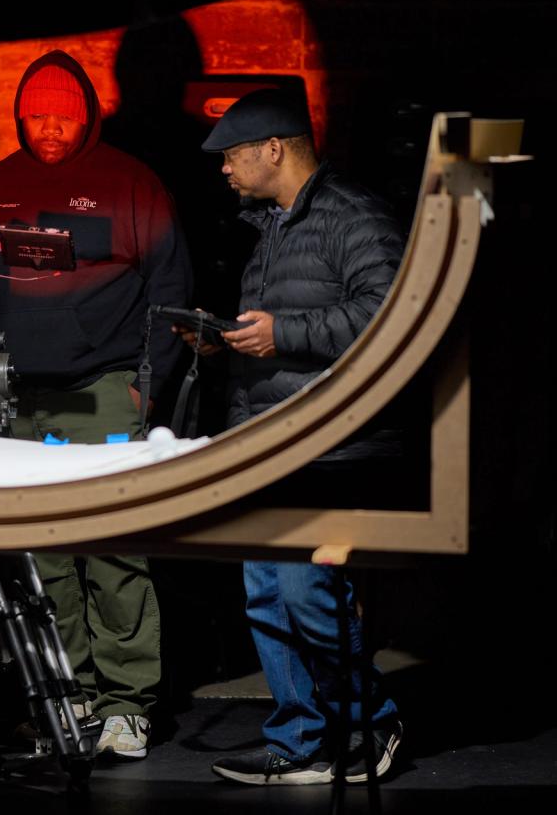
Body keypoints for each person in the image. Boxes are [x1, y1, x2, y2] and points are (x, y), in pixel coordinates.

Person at [0, 50, 193, 760]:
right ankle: (71, 700)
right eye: (37, 116)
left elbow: (173, 291)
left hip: (104, 392)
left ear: (88, 112)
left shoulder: (132, 182)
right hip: (22, 400)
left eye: (63, 114)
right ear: (20, 115)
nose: (50, 128)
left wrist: (143, 390)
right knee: (43, 558)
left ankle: (127, 706)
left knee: (113, 548)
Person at [178, 88, 404, 785]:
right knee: (267, 595)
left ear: (273, 148)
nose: (223, 170)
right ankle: (301, 741)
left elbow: (388, 316)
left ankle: (373, 723)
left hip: (327, 445)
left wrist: (282, 336)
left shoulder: (354, 215)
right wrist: (227, 341)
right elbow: (280, 325)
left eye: (232, 156)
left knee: (308, 592)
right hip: (270, 439)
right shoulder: (271, 224)